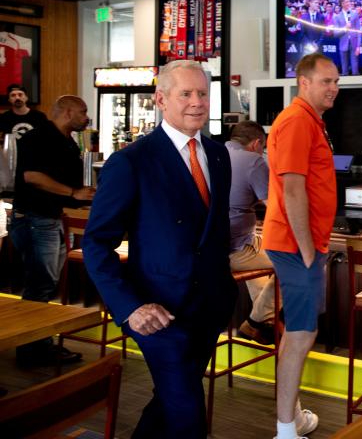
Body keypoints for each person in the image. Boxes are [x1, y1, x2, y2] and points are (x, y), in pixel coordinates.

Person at [84, 61, 237, 438]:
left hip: (208, 307)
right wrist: (129, 308)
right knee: (187, 414)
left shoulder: (218, 156)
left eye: (202, 93)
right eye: (185, 93)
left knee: (169, 400)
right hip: (156, 312)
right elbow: (96, 243)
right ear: (160, 99)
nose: (197, 102)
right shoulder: (131, 162)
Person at [263, 53, 340, 439]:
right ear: (304, 82)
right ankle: (285, 431)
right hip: (296, 245)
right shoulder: (296, 121)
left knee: (299, 330)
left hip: (302, 243)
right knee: (301, 333)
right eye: (326, 81)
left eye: (336, 82)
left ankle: (290, 416)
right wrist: (309, 251)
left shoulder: (311, 121)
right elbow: (292, 188)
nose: (334, 89)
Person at [10, 95, 94, 367]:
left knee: (44, 286)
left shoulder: (67, 140)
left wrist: (85, 196)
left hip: (50, 218)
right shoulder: (38, 137)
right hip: (36, 219)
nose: (87, 117)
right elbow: (31, 177)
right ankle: (31, 350)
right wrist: (74, 192)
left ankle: (38, 344)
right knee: (39, 287)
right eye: (83, 111)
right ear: (67, 112)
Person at [225, 120, 275, 346]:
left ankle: (265, 324)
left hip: (208, 250)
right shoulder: (253, 161)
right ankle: (256, 322)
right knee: (300, 260)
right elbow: (275, 207)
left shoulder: (213, 154)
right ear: (256, 144)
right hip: (234, 251)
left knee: (258, 247)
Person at [333, 0, 362, 76]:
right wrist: (345, 28)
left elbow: (358, 30)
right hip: (343, 45)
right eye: (347, 1)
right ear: (342, 3)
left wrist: (358, 46)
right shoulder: (337, 17)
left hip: (354, 44)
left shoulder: (355, 14)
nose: (349, 3)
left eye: (349, 1)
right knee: (345, 71)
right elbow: (336, 33)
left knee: (355, 70)